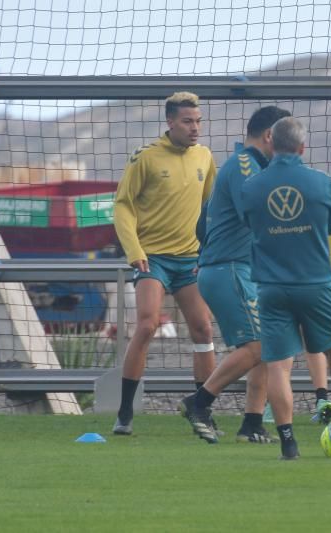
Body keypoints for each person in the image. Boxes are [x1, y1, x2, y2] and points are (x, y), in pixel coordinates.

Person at [178, 107, 331, 444]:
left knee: (268, 347)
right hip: (230, 268)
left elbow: (204, 222)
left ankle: (252, 423)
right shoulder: (246, 166)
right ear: (270, 136)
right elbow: (261, 217)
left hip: (234, 267)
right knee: (257, 346)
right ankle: (199, 403)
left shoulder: (248, 165)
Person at [240, 116, 331, 460]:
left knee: (278, 365)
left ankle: (288, 443)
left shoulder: (251, 187)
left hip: (271, 287)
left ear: (271, 143)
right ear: (303, 147)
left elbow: (250, 223)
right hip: (315, 284)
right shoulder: (321, 183)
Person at [112, 92, 216, 435]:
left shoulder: (205, 157)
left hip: (190, 261)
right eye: (188, 122)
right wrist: (134, 250)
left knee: (203, 330)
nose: (195, 128)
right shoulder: (145, 157)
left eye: (198, 121)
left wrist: (207, 252)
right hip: (152, 259)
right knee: (146, 326)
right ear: (170, 122)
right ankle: (125, 413)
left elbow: (211, 209)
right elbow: (123, 205)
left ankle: (202, 411)